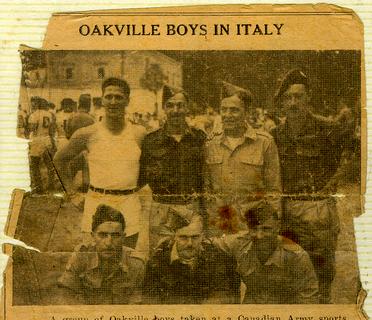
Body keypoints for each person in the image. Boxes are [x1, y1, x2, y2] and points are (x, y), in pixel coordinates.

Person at [271, 69, 352, 303]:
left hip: (318, 212)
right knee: (288, 273)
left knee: (321, 272)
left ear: (308, 98)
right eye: (288, 97)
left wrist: (334, 182)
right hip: (287, 212)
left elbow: (352, 155)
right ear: (282, 103)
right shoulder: (275, 134)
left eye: (298, 96)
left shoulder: (327, 128)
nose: (293, 102)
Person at [54, 77, 147, 247]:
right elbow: (59, 160)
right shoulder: (87, 133)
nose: (113, 101)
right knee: (92, 263)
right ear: (102, 99)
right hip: (97, 202)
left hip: (129, 204)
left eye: (118, 97)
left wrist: (130, 186)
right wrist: (72, 193)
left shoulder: (139, 133)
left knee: (124, 262)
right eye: (108, 96)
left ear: (127, 100)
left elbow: (148, 168)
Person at [205, 81, 281, 235]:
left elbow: (274, 191)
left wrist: (270, 228)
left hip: (253, 228)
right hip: (220, 228)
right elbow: (206, 190)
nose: (227, 115)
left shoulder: (264, 142)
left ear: (247, 113)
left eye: (234, 110)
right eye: (224, 110)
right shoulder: (210, 144)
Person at [138, 85, 207, 252]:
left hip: (191, 208)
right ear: (164, 109)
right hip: (161, 210)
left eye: (180, 105)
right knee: (161, 258)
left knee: (192, 258)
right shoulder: (150, 141)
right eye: (170, 105)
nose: (175, 110)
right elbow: (139, 179)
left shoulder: (199, 138)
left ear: (187, 108)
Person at [212, 202, 319, 304]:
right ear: (249, 229)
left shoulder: (296, 256)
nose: (259, 235)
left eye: (266, 229)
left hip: (285, 312)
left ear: (277, 228)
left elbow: (308, 299)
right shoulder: (240, 243)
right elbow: (208, 243)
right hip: (250, 312)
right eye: (254, 229)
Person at [144, 211, 240, 304]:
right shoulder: (157, 263)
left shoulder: (216, 257)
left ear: (202, 236)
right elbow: (151, 301)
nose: (190, 243)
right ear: (174, 237)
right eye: (183, 237)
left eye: (195, 237)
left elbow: (222, 292)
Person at [57, 204, 145, 304]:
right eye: (102, 235)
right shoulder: (81, 256)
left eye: (115, 236)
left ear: (123, 237)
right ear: (93, 236)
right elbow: (67, 296)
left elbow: (136, 304)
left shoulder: (136, 264)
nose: (108, 243)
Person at [66, 94, 95, 192]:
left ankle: (67, 189)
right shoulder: (91, 119)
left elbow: (67, 134)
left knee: (71, 170)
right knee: (86, 169)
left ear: (79, 103)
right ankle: (85, 186)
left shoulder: (72, 117)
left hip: (73, 148)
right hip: (86, 149)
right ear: (89, 105)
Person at [27, 97, 56, 193]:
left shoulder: (34, 115)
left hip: (37, 140)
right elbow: (52, 129)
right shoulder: (49, 114)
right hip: (47, 138)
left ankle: (39, 187)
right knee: (49, 164)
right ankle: (51, 185)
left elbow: (32, 129)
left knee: (35, 165)